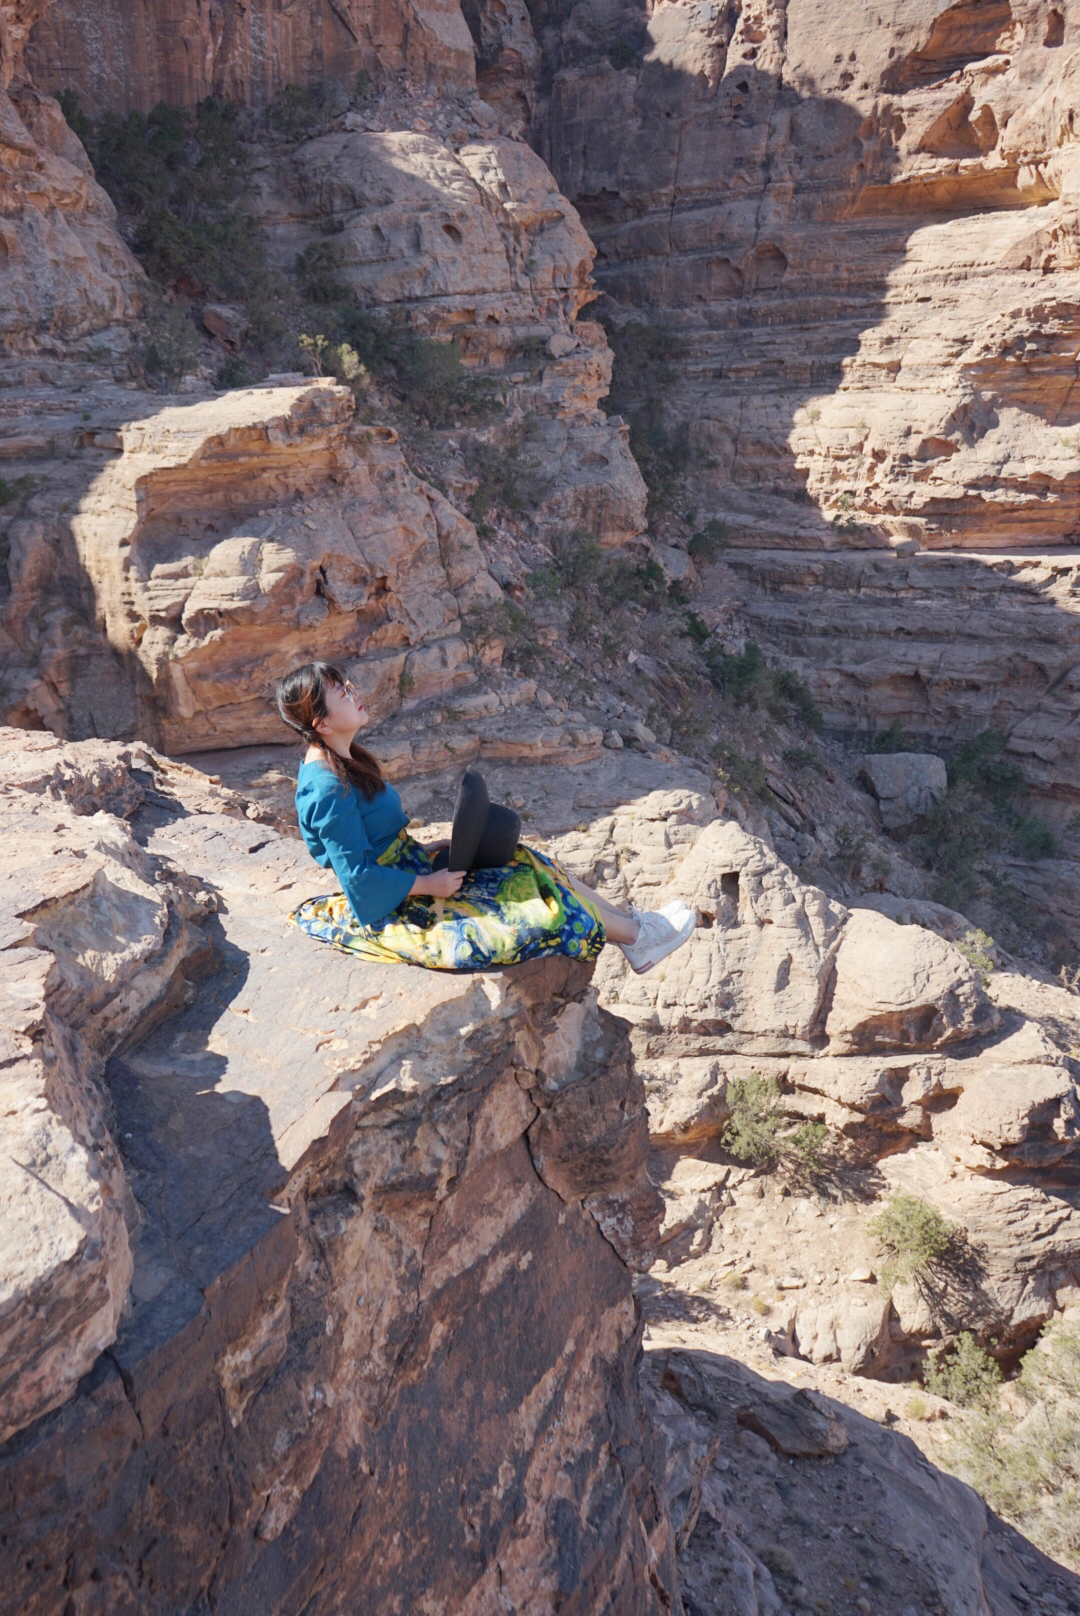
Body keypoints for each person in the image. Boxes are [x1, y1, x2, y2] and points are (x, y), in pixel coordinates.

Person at [275, 661, 698, 974]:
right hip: (395, 905)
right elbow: (358, 878)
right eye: (341, 693)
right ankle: (638, 938)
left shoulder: (345, 760)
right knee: (531, 907)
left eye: (347, 684)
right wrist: (429, 883)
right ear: (322, 723)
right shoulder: (326, 787)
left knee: (526, 860)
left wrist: (424, 851)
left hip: (409, 872)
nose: (354, 691)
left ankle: (633, 929)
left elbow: (371, 837)